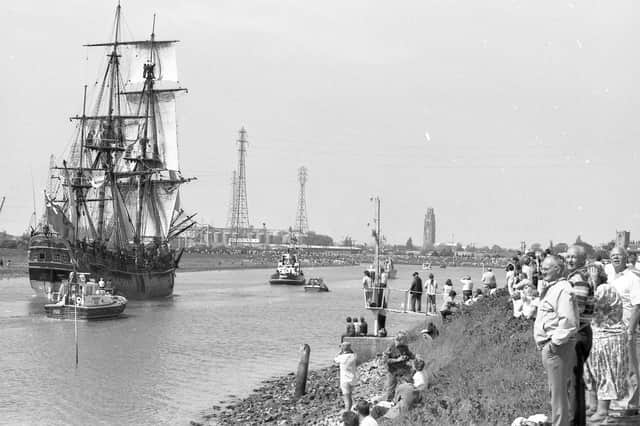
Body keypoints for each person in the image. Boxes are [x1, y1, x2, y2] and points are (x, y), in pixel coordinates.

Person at [533, 255, 578, 426]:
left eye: (546, 268)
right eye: (541, 267)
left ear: (558, 269)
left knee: (558, 395)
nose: (542, 270)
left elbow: (568, 321)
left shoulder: (563, 289)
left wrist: (553, 345)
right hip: (551, 347)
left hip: (558, 348)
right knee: (556, 393)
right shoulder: (552, 288)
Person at [584, 283, 631, 422]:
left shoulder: (604, 288)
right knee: (592, 373)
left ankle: (603, 410)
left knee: (604, 372)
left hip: (608, 337)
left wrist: (592, 284)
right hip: (597, 335)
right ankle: (593, 405)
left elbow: (599, 307)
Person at [565, 244, 596, 425]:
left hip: (577, 334)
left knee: (572, 382)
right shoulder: (579, 276)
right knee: (576, 381)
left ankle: (573, 421)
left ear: (582, 260)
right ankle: (578, 420)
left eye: (573, 257)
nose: (569, 260)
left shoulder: (578, 278)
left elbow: (577, 308)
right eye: (567, 257)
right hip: (582, 332)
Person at [609, 246, 640, 413]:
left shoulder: (632, 277)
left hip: (628, 329)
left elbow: (637, 305)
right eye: (613, 255)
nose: (615, 258)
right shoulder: (612, 278)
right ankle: (621, 402)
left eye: (619, 255)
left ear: (625, 258)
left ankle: (632, 405)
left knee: (631, 368)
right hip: (613, 329)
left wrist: (630, 330)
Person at [383, 331, 415, 401]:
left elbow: (410, 354)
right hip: (392, 370)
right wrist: (397, 360)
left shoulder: (404, 346)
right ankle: (389, 402)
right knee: (391, 388)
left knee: (410, 382)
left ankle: (410, 397)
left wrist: (412, 357)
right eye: (404, 340)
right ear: (399, 340)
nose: (406, 341)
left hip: (403, 368)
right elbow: (385, 360)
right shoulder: (390, 347)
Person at [334, 342, 358, 411]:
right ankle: (349, 410)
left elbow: (334, 359)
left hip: (345, 380)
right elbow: (353, 352)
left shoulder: (341, 357)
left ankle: (347, 412)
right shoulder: (354, 356)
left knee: (347, 399)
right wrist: (349, 349)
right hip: (352, 379)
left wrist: (340, 352)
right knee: (349, 396)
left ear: (342, 348)